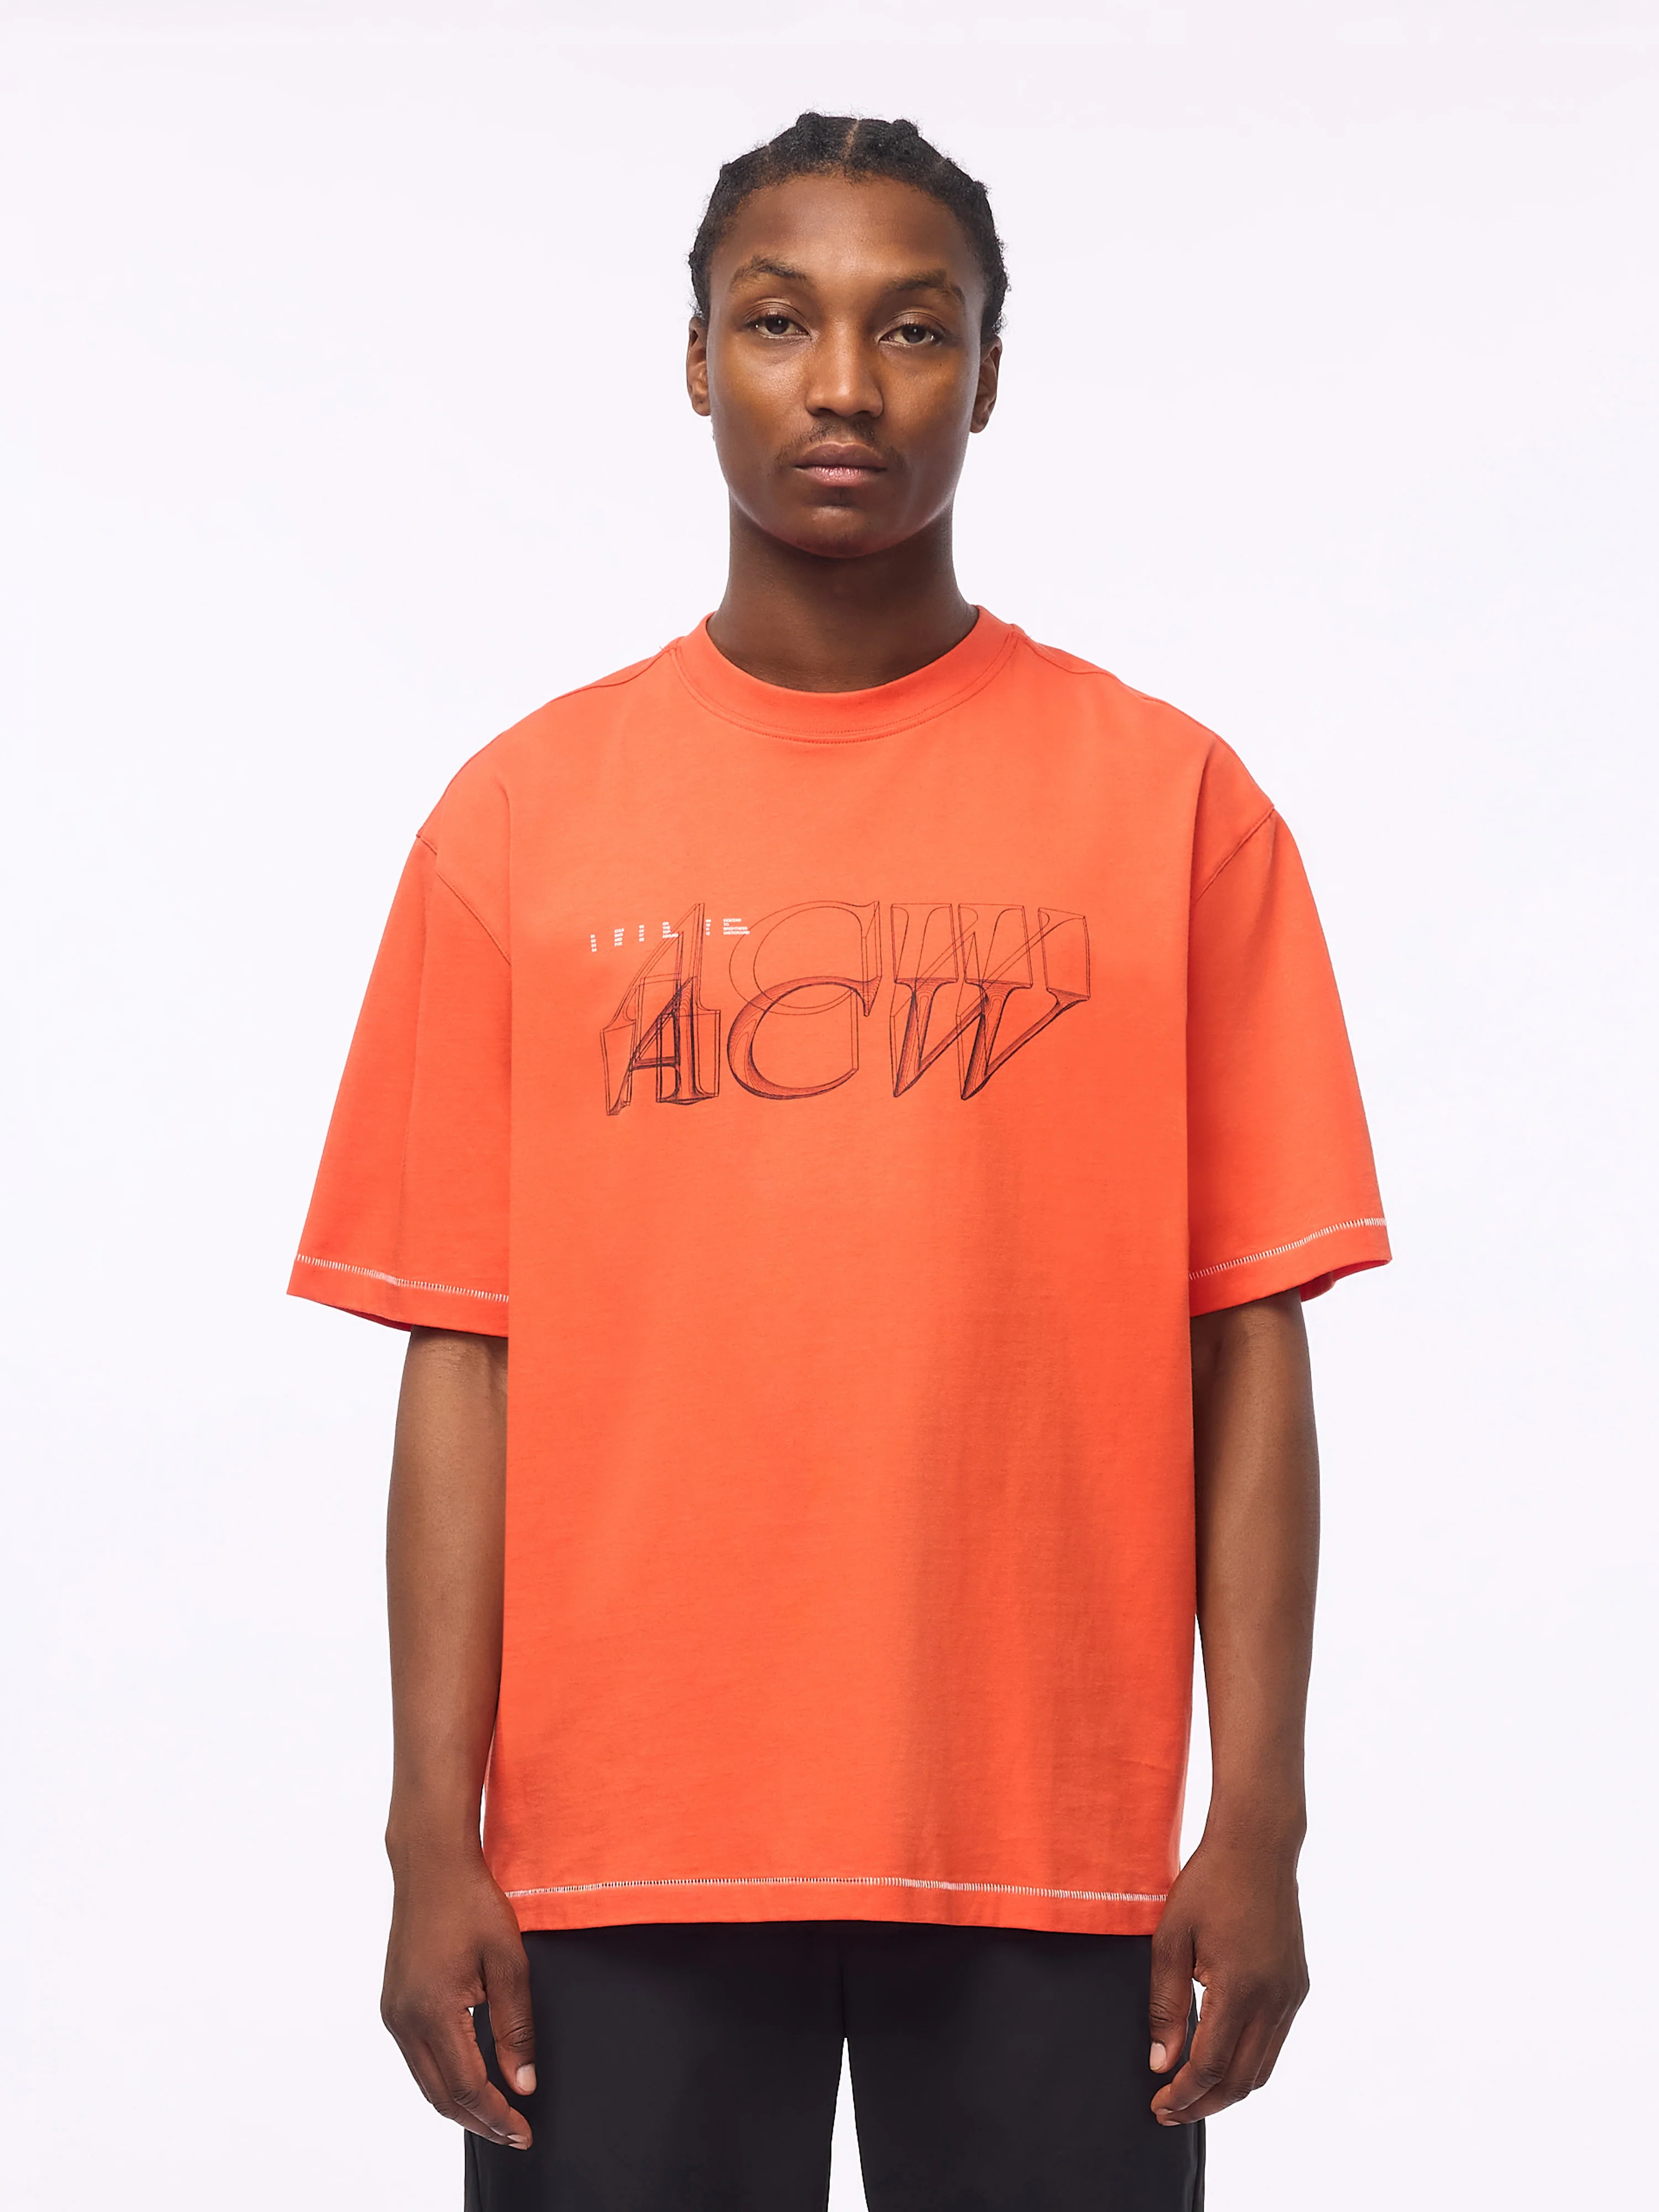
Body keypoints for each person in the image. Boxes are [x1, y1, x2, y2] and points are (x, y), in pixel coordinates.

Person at [290, 112, 1389, 2212]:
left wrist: (1260, 1820)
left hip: (1052, 1850)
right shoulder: (519, 824)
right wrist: (432, 1833)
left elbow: (1248, 1338)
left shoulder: (1174, 809)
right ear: (698, 361)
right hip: (615, 1856)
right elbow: (465, 1360)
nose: (848, 388)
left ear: (992, 371)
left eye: (915, 328)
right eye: (781, 322)